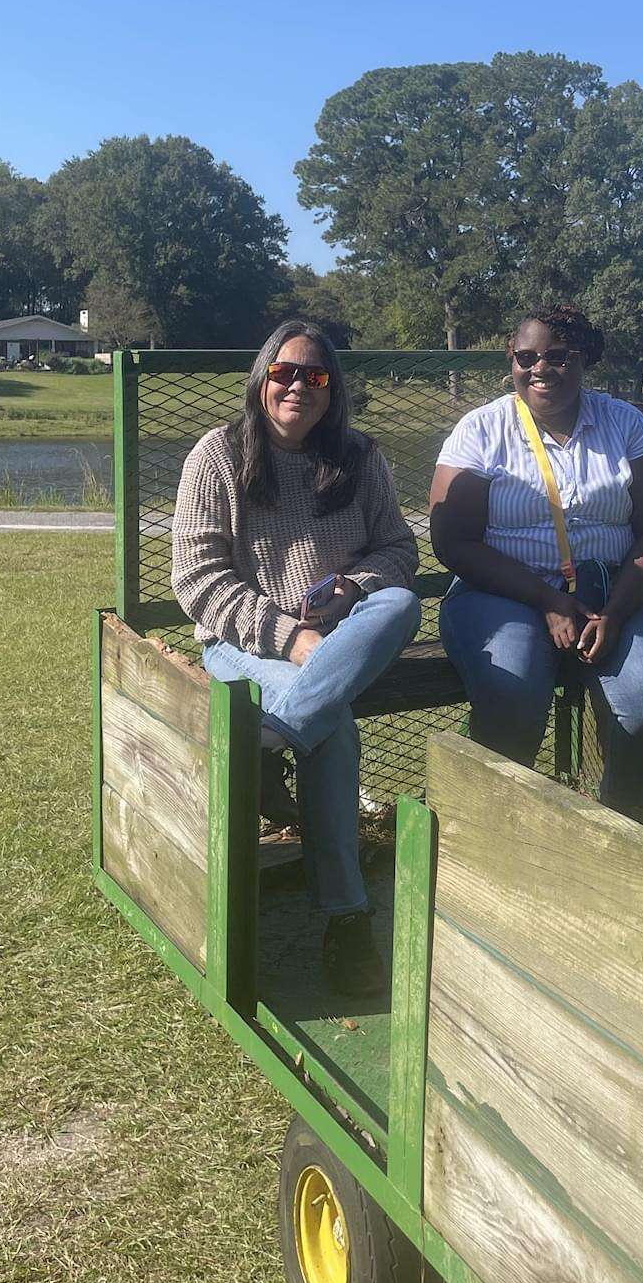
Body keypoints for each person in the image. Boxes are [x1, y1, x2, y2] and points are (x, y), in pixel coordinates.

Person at [171, 320, 421, 997]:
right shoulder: (217, 455)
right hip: (242, 645)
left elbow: (399, 552)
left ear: (332, 390)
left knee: (401, 605)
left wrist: (353, 586)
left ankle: (274, 735)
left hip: (337, 640)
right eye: (284, 372)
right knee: (333, 730)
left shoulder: (360, 457)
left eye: (316, 377)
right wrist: (291, 638)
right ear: (261, 378)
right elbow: (197, 580)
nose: (298, 387)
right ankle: (347, 921)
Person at [429, 305, 643, 808]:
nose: (540, 368)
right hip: (501, 588)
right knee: (513, 686)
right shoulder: (481, 429)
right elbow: (453, 541)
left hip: (610, 588)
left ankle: (615, 822)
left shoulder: (625, 424)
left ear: (583, 359)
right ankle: (492, 820)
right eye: (526, 357)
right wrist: (546, 598)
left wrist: (614, 613)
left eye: (558, 357)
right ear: (512, 359)